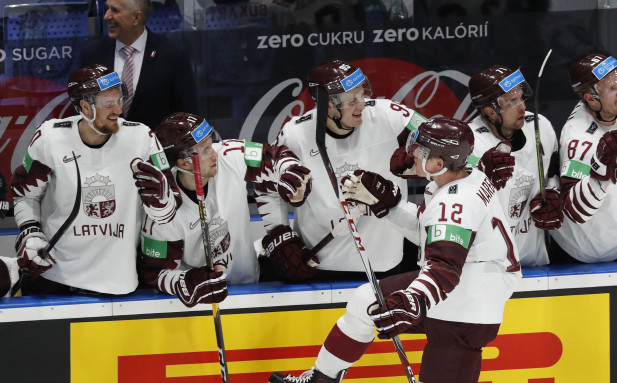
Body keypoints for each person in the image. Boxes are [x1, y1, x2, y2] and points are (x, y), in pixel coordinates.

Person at [263, 117, 521, 383]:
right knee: (364, 302)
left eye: (419, 150)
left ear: (439, 162)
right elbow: (431, 236)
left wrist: (412, 301)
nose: (410, 153)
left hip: (466, 305)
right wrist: (387, 206)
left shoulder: (454, 203)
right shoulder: (461, 178)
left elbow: (444, 266)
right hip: (470, 289)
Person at [10, 64, 180, 295]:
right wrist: (30, 232)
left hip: (118, 281)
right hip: (54, 276)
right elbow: (24, 195)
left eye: (119, 100)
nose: (118, 110)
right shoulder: (49, 138)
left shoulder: (142, 138)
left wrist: (162, 202)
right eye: (108, 104)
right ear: (85, 107)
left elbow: (169, 210)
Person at [258, 59, 426, 282]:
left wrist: (421, 166)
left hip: (385, 263)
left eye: (362, 94)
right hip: (320, 264)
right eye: (352, 100)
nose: (362, 104)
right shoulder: (294, 135)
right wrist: (280, 234)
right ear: (327, 105)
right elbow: (266, 186)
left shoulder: (389, 116)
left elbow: (446, 146)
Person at [137, 112, 311, 306]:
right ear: (183, 163)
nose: (214, 154)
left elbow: (275, 155)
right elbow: (155, 272)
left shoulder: (229, 155)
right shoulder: (163, 209)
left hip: (249, 289)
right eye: (204, 151)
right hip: (203, 303)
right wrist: (187, 283)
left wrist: (290, 172)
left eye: (211, 145)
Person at [551, 53, 617, 263]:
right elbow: (574, 209)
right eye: (611, 89)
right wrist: (599, 170)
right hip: (580, 252)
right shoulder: (578, 140)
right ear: (590, 99)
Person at [467, 65, 562, 266]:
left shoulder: (540, 126)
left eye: (520, 98)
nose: (522, 107)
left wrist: (553, 193)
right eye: (512, 102)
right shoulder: (469, 143)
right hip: (490, 268)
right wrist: (482, 177)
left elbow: (553, 171)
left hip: (535, 261)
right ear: (490, 111)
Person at [80, 0, 198, 130]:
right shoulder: (92, 53)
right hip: (104, 147)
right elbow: (81, 109)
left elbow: (188, 115)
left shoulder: (172, 54)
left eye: (115, 10)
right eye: (107, 9)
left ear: (136, 18)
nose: (106, 16)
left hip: (155, 147)